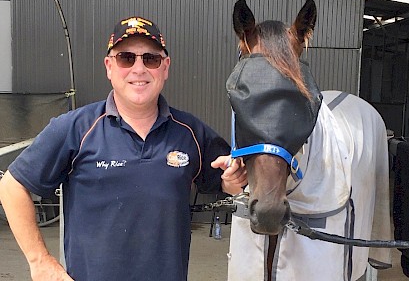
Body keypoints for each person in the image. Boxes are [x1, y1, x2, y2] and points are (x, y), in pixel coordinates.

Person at [0, 16, 247, 281]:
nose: (139, 69)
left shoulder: (190, 132)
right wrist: (40, 262)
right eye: (126, 58)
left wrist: (234, 179)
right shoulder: (75, 129)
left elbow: (228, 183)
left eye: (150, 59)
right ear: (109, 66)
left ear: (165, 67)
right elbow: (12, 186)